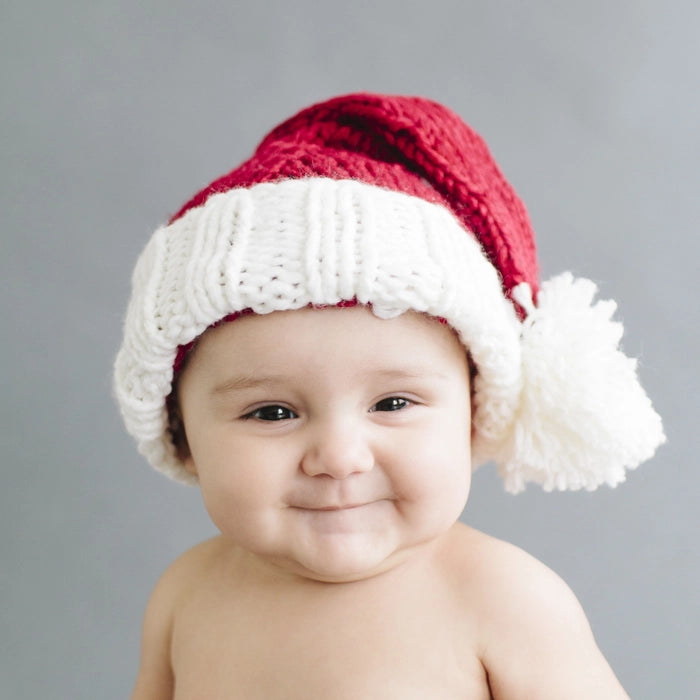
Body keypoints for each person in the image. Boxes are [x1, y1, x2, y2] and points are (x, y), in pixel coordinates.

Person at [114, 93, 665, 698]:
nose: (340, 456)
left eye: (393, 403)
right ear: (182, 435)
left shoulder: (503, 601)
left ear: (472, 411)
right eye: (272, 412)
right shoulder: (187, 595)